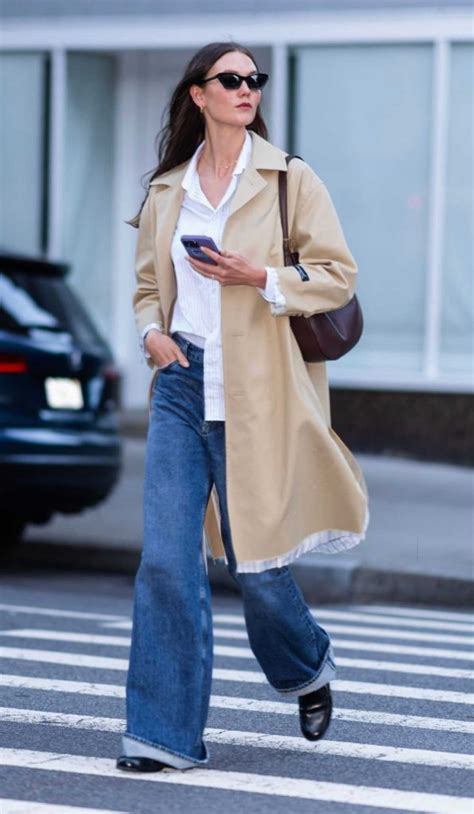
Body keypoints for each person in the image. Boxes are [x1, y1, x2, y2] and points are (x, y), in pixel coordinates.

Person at [117, 40, 369, 773]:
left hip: (257, 389)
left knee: (256, 567)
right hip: (181, 384)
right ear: (198, 94)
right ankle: (162, 735)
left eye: (254, 78)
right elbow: (143, 289)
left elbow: (336, 276)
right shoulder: (170, 190)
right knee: (166, 562)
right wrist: (152, 335)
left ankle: (306, 665)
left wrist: (257, 274)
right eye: (230, 78)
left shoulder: (290, 179)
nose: (246, 88)